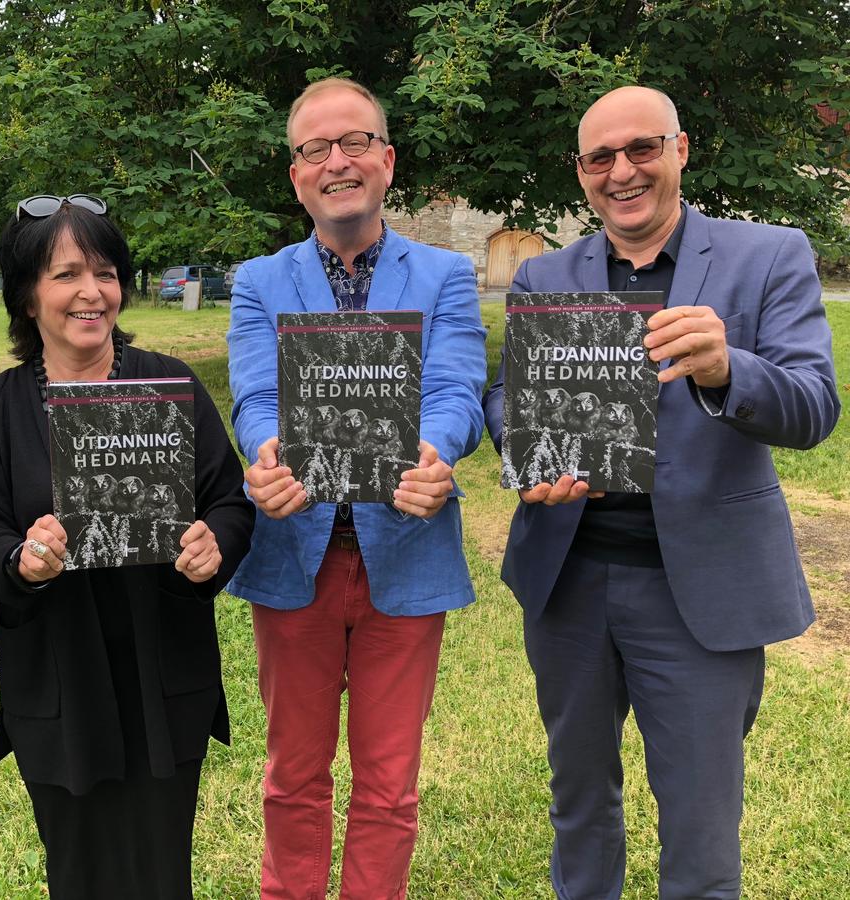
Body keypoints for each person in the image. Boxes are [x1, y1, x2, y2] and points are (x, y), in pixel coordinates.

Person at [483, 85, 841, 899]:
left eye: (642, 148)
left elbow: (815, 406)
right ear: (580, 172)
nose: (622, 171)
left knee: (700, 821)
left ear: (682, 151)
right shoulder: (545, 272)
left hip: (701, 592)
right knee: (579, 803)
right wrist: (523, 447)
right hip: (568, 583)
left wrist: (727, 370)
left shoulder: (769, 256)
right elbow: (505, 396)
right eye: (599, 157)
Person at [226, 78, 487, 899]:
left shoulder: (446, 273)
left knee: (388, 784)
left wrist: (437, 452)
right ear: (296, 171)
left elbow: (456, 391)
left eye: (354, 143)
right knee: (292, 775)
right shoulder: (259, 280)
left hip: (404, 555)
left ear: (386, 159)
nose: (336, 161)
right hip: (294, 557)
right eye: (314, 149)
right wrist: (267, 451)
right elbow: (256, 398)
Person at [0, 194, 254, 899]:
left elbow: (229, 497)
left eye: (104, 272)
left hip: (162, 672)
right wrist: (21, 562)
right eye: (65, 274)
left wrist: (212, 546)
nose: (91, 292)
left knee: (163, 873)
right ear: (26, 294)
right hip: (59, 677)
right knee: (78, 872)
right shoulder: (0, 406)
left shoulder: (170, 384)